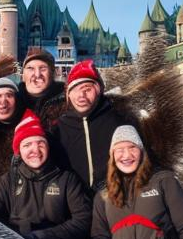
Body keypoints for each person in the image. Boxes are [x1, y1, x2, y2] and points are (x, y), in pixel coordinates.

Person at [0, 109, 91, 239]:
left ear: (48, 146)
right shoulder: (6, 182)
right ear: (18, 150)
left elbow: (83, 220)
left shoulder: (67, 178)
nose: (35, 150)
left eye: (40, 143)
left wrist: (44, 236)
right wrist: (14, 238)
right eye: (27, 145)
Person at [55, 59, 131, 193]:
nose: (81, 96)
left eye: (87, 90)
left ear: (98, 91)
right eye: (75, 90)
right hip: (74, 203)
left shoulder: (118, 120)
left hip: (113, 199)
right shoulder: (59, 128)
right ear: (68, 95)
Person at [18, 51, 65, 129]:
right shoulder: (13, 104)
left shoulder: (66, 103)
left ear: (52, 73)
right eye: (30, 68)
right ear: (23, 75)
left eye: (43, 69)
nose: (37, 74)